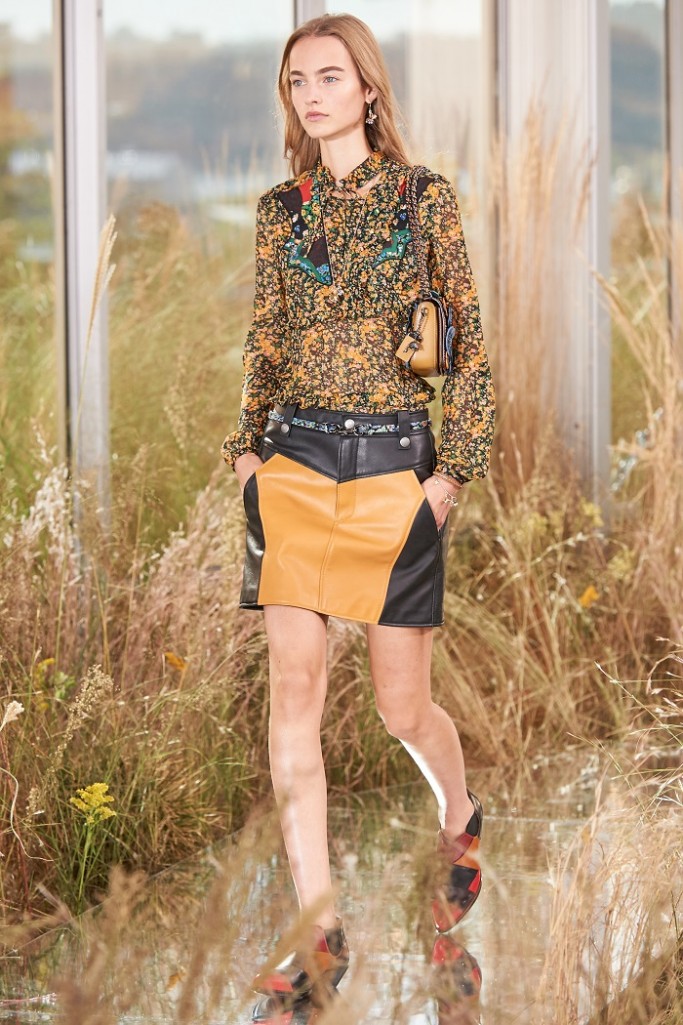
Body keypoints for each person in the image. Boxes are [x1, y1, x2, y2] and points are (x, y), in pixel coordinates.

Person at [221, 12, 495, 1009]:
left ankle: (459, 815)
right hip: (292, 465)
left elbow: (466, 348)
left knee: (397, 706)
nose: (311, 95)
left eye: (329, 77)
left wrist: (449, 476)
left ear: (368, 90)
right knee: (292, 691)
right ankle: (320, 934)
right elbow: (264, 339)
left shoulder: (423, 200)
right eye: (297, 81)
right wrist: (246, 454)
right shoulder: (278, 211)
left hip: (392, 471)